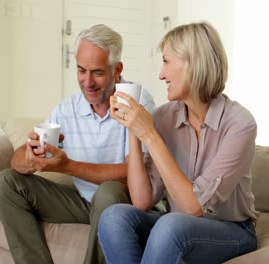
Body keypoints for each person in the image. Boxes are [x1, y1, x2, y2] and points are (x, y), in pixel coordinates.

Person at [0, 24, 156, 264]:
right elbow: (17, 162)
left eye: (97, 72)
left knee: (108, 191)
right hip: (81, 202)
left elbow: (133, 177)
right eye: (81, 70)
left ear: (117, 69)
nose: (87, 82)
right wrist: (31, 155)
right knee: (4, 183)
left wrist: (66, 166)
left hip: (122, 205)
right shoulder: (67, 109)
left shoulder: (137, 102)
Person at [98, 21, 258, 264]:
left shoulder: (239, 124)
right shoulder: (164, 117)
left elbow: (194, 208)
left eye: (166, 61)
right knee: (113, 217)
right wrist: (134, 129)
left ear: (192, 64)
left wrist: (150, 134)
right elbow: (142, 200)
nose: (161, 74)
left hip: (232, 231)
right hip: (177, 227)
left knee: (171, 223)